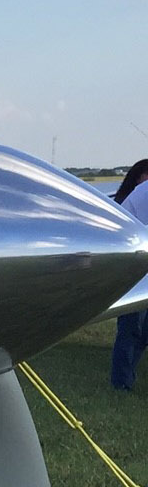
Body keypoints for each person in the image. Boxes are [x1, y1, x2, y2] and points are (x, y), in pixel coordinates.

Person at [111, 159, 148, 389]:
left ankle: (126, 378)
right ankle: (120, 383)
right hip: (134, 269)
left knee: (142, 334)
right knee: (130, 329)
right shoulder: (143, 193)